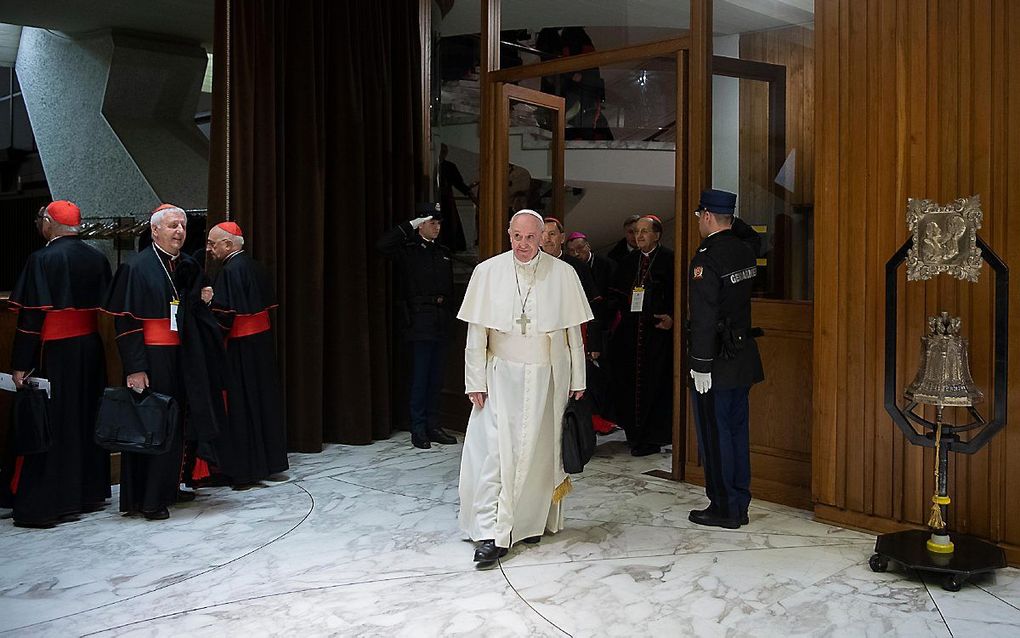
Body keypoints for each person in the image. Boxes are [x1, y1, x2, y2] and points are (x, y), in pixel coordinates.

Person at [457, 209, 592, 565]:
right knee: (497, 454)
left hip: (547, 378)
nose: (523, 244)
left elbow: (572, 334)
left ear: (544, 238)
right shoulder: (487, 272)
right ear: (509, 234)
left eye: (530, 237)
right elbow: (477, 334)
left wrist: (579, 378)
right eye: (516, 237)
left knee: (536, 452)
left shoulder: (562, 274)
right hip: (501, 376)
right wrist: (475, 380)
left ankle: (527, 524)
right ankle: (492, 531)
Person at [102, 203, 224, 520]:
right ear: (155, 230)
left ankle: (169, 488)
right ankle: (148, 499)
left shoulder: (182, 265)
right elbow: (126, 324)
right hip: (152, 357)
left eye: (182, 226)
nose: (179, 231)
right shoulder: (137, 267)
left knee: (176, 424)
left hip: (180, 356)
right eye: (172, 226)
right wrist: (135, 368)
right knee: (152, 426)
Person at [1, 201, 112, 528]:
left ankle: (56, 499)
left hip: (55, 353)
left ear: (49, 223)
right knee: (84, 417)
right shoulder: (97, 257)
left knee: (54, 422)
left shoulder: (42, 258)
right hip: (90, 349)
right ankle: (87, 493)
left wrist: (20, 363)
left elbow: (31, 318)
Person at [687, 189, 765, 529]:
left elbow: (703, 317)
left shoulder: (707, 258)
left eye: (700, 217)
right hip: (741, 356)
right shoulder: (744, 249)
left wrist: (700, 364)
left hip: (715, 361)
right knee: (735, 433)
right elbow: (748, 234)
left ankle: (724, 508)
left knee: (715, 435)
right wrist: (727, 215)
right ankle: (739, 501)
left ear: (706, 216)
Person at [205, 221, 289, 488]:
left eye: (212, 243)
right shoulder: (258, 267)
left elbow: (224, 317)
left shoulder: (228, 272)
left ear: (228, 245)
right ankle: (270, 462)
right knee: (264, 403)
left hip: (239, 350)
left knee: (241, 408)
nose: (208, 249)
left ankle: (244, 469)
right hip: (262, 346)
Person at [376, 203, 458, 450]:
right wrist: (409, 225)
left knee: (436, 378)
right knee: (420, 377)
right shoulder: (409, 250)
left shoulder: (442, 252)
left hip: (441, 321)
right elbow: (382, 246)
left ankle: (434, 424)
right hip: (419, 322)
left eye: (439, 223)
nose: (437, 227)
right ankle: (418, 427)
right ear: (420, 224)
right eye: (432, 222)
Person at [608, 215, 674, 456]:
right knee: (630, 385)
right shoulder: (628, 262)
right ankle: (634, 435)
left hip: (657, 335)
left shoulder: (669, 259)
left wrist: (673, 319)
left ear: (657, 234)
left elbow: (680, 297)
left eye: (645, 231)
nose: (639, 236)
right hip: (630, 334)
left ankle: (654, 437)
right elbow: (615, 297)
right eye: (636, 232)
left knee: (655, 385)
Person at [541, 217, 602, 357]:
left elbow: (592, 305)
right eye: (543, 234)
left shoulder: (577, 266)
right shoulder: (531, 266)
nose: (547, 239)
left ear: (562, 238)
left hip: (570, 333)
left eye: (552, 234)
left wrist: (594, 343)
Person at [437, 143, 476, 252]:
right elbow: (459, 183)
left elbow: (458, 183)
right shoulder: (434, 165)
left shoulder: (449, 166)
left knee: (448, 223)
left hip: (445, 200)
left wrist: (470, 194)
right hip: (440, 199)